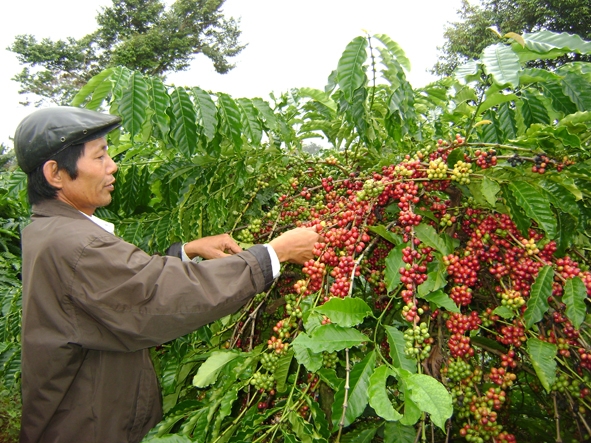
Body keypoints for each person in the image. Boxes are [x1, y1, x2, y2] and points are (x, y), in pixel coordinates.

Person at [14, 106, 320, 443]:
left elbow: (117, 289)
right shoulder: (77, 245)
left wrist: (184, 252)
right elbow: (156, 297)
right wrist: (272, 255)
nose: (112, 165)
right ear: (55, 173)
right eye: (100, 156)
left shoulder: (50, 231)